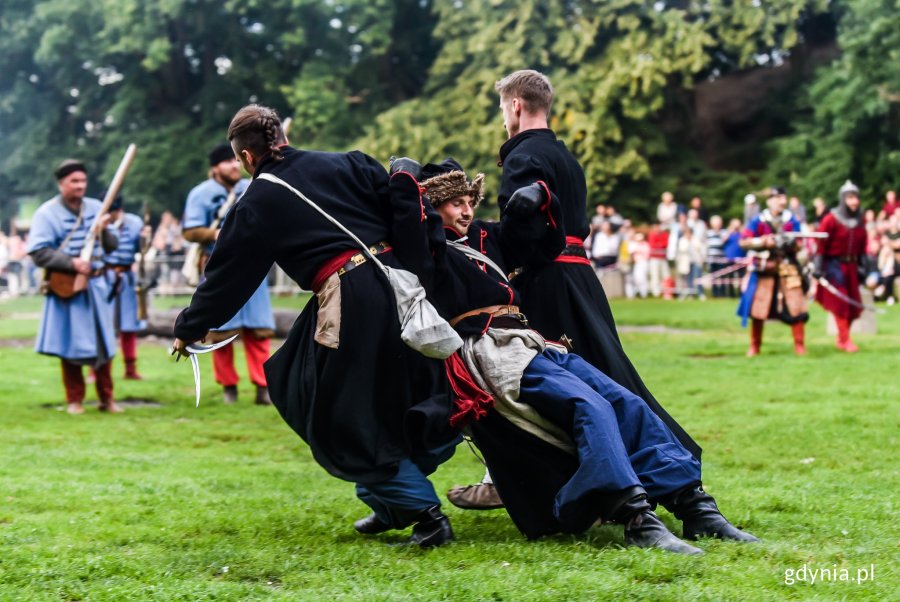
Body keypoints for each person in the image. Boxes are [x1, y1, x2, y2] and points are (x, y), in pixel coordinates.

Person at [398, 159, 756, 553]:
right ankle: (635, 516)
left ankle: (696, 508)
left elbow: (541, 242)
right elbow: (414, 225)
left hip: (533, 342)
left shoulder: (486, 237)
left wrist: (535, 203)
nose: (466, 210)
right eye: (454, 203)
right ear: (433, 206)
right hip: (490, 352)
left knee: (626, 403)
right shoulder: (426, 247)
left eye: (470, 200)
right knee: (591, 407)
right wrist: (405, 180)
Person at [172, 105, 458, 548]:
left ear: (247, 158)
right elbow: (405, 209)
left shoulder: (257, 201)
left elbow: (229, 275)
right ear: (281, 139)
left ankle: (422, 512)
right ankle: (388, 502)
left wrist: (190, 326)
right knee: (394, 397)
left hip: (349, 297)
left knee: (332, 411)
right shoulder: (350, 162)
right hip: (400, 286)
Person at [448, 69, 700, 510]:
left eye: (502, 109)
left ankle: (609, 480)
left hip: (547, 283)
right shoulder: (566, 157)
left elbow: (524, 236)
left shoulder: (522, 157)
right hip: (581, 277)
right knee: (606, 374)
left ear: (516, 106)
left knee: (545, 384)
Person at [182, 143, 276, 404]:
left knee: (259, 331)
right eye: (227, 162)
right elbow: (190, 231)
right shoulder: (200, 194)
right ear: (215, 167)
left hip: (252, 263)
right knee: (220, 331)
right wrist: (217, 234)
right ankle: (229, 389)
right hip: (219, 264)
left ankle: (262, 387)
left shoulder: (251, 186)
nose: (234, 166)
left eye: (236, 161)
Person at [27, 160, 121, 414]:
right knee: (70, 347)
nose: (80, 186)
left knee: (104, 345)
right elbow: (38, 252)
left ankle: (107, 399)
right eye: (74, 182)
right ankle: (75, 400)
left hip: (97, 287)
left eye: (82, 181)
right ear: (61, 184)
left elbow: (112, 245)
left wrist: (104, 230)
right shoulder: (46, 213)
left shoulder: (96, 207)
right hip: (67, 288)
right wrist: (72, 263)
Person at [737, 187, 808, 356]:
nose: (781, 201)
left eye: (783, 197)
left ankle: (800, 345)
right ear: (769, 200)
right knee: (758, 308)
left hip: (787, 266)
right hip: (765, 268)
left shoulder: (791, 220)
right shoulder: (758, 221)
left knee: (796, 305)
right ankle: (755, 346)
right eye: (777, 198)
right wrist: (762, 242)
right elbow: (743, 241)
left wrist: (790, 243)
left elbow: (800, 243)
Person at [814, 181, 870, 352]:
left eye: (856, 198)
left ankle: (841, 338)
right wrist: (818, 267)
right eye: (850, 198)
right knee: (841, 304)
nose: (854, 202)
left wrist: (864, 266)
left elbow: (862, 245)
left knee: (854, 306)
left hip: (852, 265)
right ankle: (845, 340)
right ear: (843, 199)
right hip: (834, 265)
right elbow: (821, 245)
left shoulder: (860, 220)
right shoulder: (831, 219)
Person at [103, 194, 150, 379]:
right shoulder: (99, 222)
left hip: (127, 277)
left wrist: (145, 238)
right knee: (103, 324)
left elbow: (141, 249)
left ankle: (130, 370)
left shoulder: (134, 222)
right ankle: (96, 370)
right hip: (104, 277)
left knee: (128, 326)